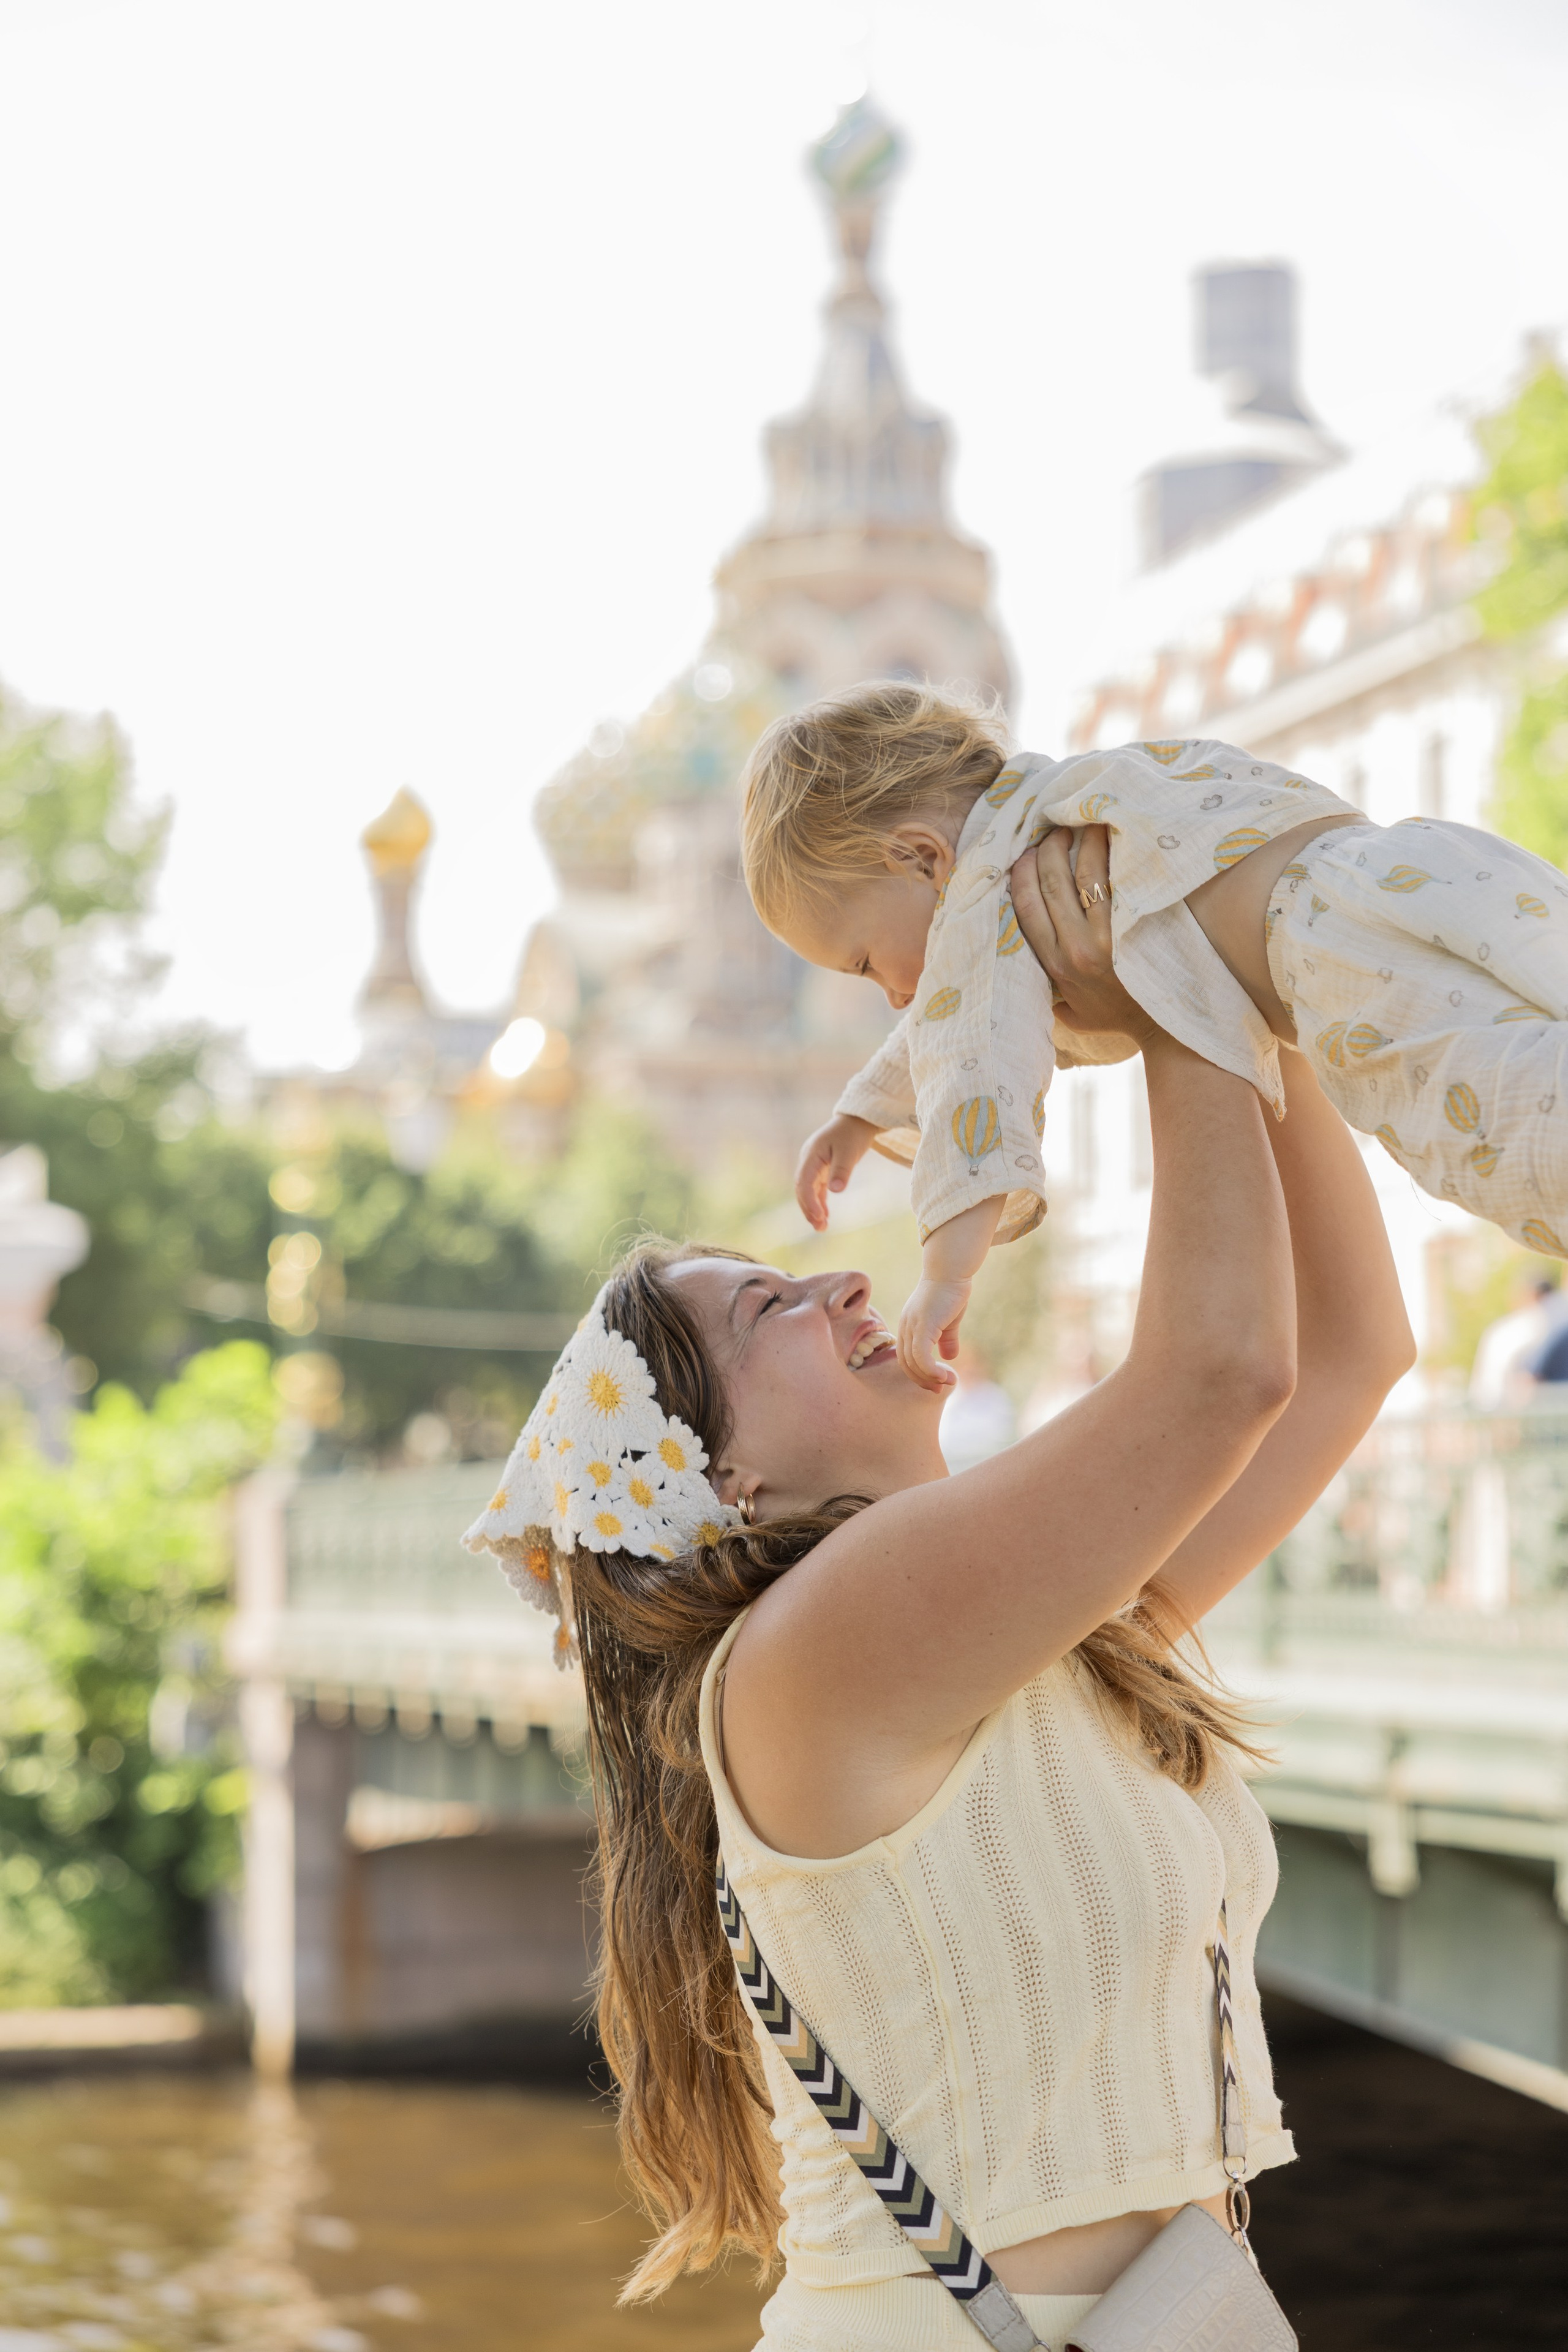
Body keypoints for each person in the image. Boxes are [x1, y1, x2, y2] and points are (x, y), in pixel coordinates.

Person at [464, 845, 1412, 2352]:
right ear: (728, 1494)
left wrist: (1243, 984)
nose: (837, 1286)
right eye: (766, 1310)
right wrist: (1165, 996)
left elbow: (1349, 1348)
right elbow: (1223, 1373)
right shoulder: (812, 1652)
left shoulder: (1028, 1636)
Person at [739, 682, 1568, 1389]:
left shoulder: (992, 891)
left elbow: (972, 1067)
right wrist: (863, 1114)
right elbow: (943, 1022)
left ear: (920, 859)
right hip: (1418, 872)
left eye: (861, 962)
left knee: (1525, 1143)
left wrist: (945, 1275)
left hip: (1344, 969)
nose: (890, 998)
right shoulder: (1072, 799)